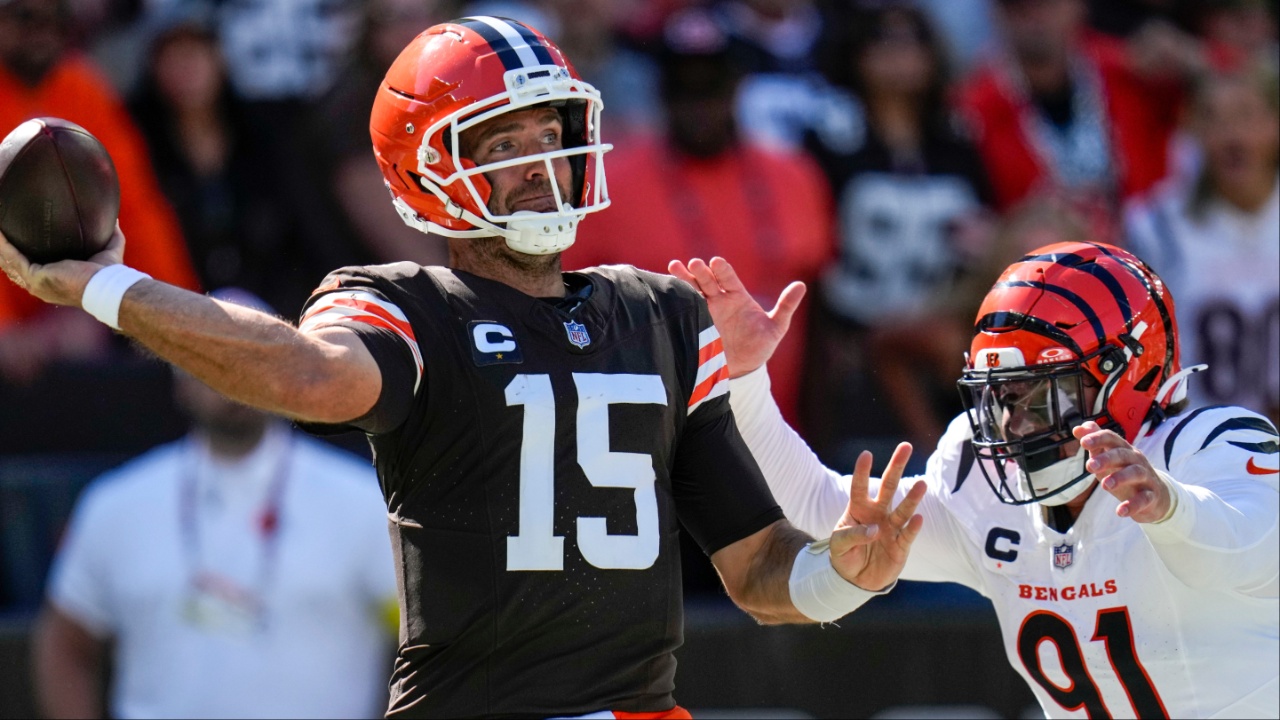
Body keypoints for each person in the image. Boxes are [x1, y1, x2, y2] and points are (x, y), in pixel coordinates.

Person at [0, 17, 926, 718]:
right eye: (503, 144)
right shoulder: (407, 304)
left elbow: (759, 569)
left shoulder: (662, 313)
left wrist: (846, 572)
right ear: (426, 171)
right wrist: (108, 286)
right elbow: (313, 376)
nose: (540, 165)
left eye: (549, 134)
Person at [669, 247, 1279, 719]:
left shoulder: (1208, 446)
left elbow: (1255, 547)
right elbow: (821, 511)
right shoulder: (983, 481)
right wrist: (743, 382)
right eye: (1003, 397)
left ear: (1125, 377)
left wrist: (1172, 510)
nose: (1013, 423)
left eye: (1042, 396)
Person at [31, 288, 396, 719]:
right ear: (177, 375)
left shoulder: (361, 503)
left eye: (252, 355)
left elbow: (422, 643)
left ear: (289, 372)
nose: (232, 374)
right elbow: (65, 645)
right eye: (211, 354)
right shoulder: (116, 505)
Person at [565, 8, 834, 427]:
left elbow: (816, 313)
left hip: (779, 431)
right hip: (656, 435)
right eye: (682, 90)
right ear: (661, 93)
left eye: (711, 88)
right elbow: (573, 312)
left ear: (736, 88)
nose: (699, 106)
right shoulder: (608, 185)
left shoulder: (795, 175)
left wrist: (819, 431)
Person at [0, 0, 200, 381]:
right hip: (12, 323)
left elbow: (135, 210)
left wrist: (179, 316)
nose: (42, 31)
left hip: (63, 310)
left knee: (83, 339)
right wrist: (3, 326)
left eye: (57, 18)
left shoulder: (84, 90)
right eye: (24, 16)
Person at [1126, 65, 1279, 425]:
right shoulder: (1156, 226)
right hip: (1198, 441)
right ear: (1193, 132)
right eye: (1213, 118)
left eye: (1245, 114)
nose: (1232, 134)